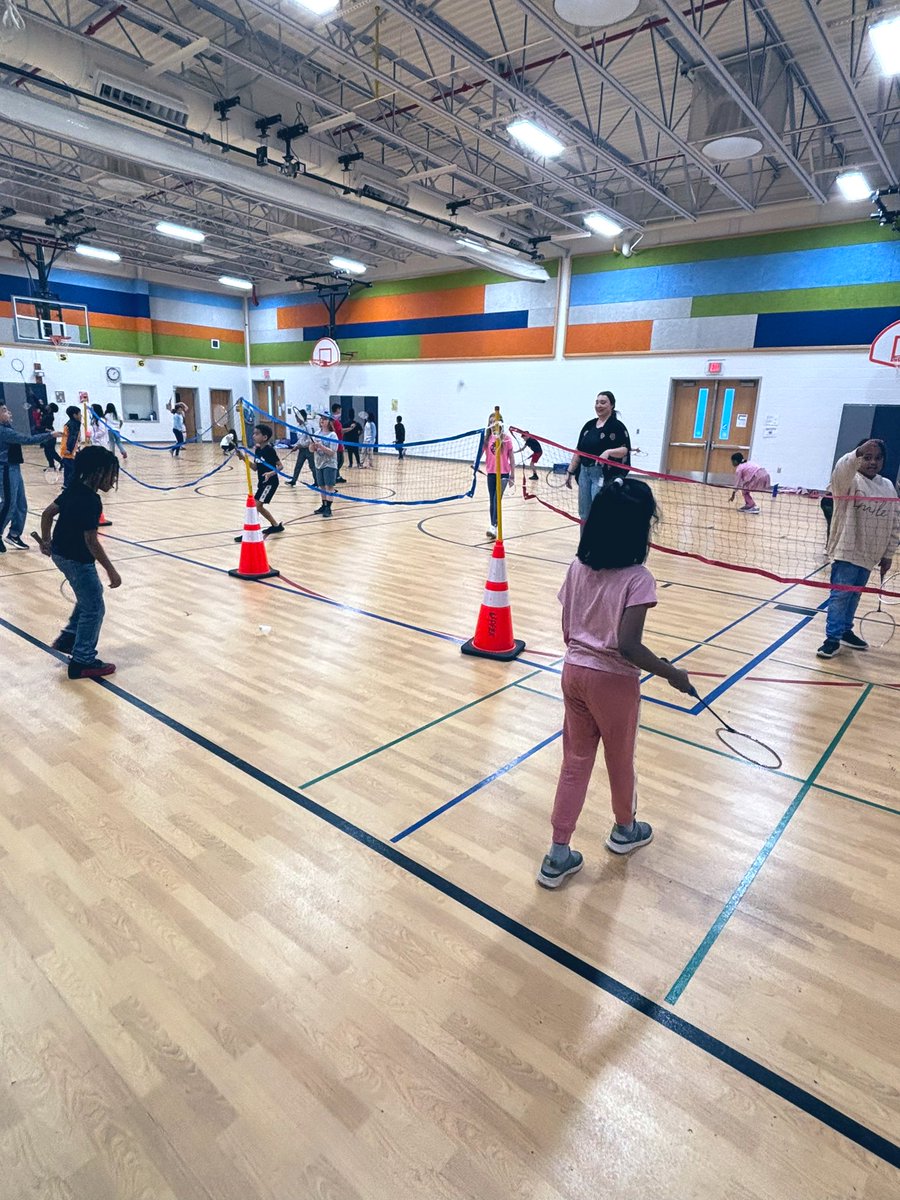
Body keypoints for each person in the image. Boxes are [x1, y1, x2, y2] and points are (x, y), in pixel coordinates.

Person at [537, 478, 694, 888]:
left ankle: (557, 854)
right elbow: (627, 645)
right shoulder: (638, 578)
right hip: (613, 684)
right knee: (619, 759)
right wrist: (671, 673)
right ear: (638, 528)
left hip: (573, 673)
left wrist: (583, 653)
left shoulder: (576, 566)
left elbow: (568, 624)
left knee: (574, 762)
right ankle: (625, 830)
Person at [35, 444, 121, 680]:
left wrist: (46, 541)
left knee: (89, 596)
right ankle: (82, 659)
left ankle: (69, 636)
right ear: (97, 472)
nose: (113, 480)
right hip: (77, 559)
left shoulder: (73, 489)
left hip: (61, 554)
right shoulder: (91, 501)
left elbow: (47, 514)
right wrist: (112, 571)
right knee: (94, 607)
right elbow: (91, 541)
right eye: (111, 474)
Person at [817, 438, 899, 660]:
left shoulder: (888, 486)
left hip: (870, 554)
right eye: (867, 457)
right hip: (847, 550)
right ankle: (832, 639)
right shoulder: (848, 481)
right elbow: (841, 468)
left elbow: (895, 522)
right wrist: (857, 452)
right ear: (859, 457)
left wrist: (888, 554)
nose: (872, 462)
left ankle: (845, 631)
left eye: (877, 458)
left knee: (854, 597)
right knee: (840, 596)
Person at [565, 391, 631, 521]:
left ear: (611, 405)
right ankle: (585, 541)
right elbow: (579, 450)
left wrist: (608, 452)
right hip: (584, 473)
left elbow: (624, 449)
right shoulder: (589, 425)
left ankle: (600, 541)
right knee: (584, 513)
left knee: (600, 511)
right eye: (597, 402)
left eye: (603, 402)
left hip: (603, 474)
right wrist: (570, 471)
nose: (599, 405)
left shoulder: (617, 427)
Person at [0, 403, 56, 552]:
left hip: (14, 467)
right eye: (4, 410)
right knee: (9, 503)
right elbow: (27, 439)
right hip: (5, 469)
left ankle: (13, 534)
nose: (9, 413)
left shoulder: (7, 427)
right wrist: (50, 435)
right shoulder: (3, 431)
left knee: (21, 504)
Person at [233, 423, 284, 540]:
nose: (253, 436)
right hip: (262, 483)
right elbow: (255, 467)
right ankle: (276, 526)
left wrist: (270, 473)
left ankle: (250, 533)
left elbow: (280, 466)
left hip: (270, 483)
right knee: (258, 507)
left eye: (257, 434)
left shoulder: (269, 450)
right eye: (254, 433)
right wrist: (243, 459)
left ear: (264, 437)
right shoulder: (258, 450)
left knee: (255, 506)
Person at [483, 415, 515, 541]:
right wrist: (474, 466)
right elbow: (480, 452)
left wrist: (512, 475)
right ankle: (493, 526)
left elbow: (511, 458)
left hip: (503, 474)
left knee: (497, 499)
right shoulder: (486, 439)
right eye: (490, 422)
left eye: (495, 422)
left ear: (500, 424)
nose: (493, 425)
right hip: (491, 473)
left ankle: (493, 525)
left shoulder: (506, 439)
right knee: (492, 499)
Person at [310, 413, 338, 518]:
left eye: (325, 419)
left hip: (329, 464)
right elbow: (311, 450)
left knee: (329, 486)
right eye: (321, 418)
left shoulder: (332, 435)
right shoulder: (316, 434)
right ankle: (324, 505)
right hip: (318, 463)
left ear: (329, 422)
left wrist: (321, 446)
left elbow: (332, 452)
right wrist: (313, 446)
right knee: (321, 486)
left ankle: (328, 508)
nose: (322, 420)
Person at [288, 408, 316, 486]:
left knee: (312, 466)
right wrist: (296, 446)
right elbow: (300, 439)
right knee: (298, 465)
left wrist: (301, 445)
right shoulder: (299, 427)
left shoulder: (308, 427)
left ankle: (317, 481)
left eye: (297, 417)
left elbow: (310, 439)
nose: (296, 419)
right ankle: (293, 481)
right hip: (301, 450)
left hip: (309, 449)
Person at [60, 406, 82, 487]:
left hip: (68, 450)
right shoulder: (73, 424)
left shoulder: (70, 423)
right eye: (80, 414)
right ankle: (70, 486)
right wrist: (69, 449)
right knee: (72, 470)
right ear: (74, 415)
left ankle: (66, 485)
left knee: (68, 470)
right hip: (70, 451)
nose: (81, 416)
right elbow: (72, 437)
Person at [40, 402, 63, 472]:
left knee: (51, 451)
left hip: (50, 435)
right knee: (47, 451)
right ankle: (51, 466)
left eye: (48, 405)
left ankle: (62, 463)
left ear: (50, 408)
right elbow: (39, 405)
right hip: (47, 434)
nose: (46, 406)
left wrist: (41, 428)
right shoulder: (46, 414)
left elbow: (45, 426)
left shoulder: (49, 416)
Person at [330, 403, 347, 483]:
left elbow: (340, 433)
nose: (341, 412)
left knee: (340, 461)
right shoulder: (334, 421)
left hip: (339, 443)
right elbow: (341, 431)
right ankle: (334, 476)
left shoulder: (335, 421)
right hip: (336, 444)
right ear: (337, 410)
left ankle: (337, 476)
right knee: (339, 461)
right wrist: (351, 428)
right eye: (340, 410)